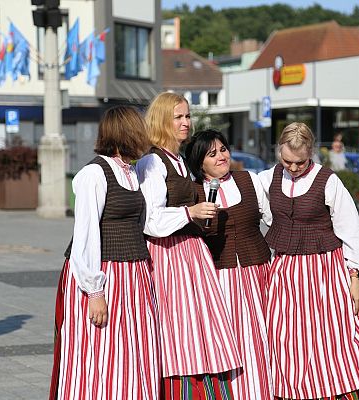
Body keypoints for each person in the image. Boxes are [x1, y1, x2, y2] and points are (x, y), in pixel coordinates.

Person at [259, 122, 359, 400]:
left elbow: (352, 230)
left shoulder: (328, 181)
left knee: (333, 342)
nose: (294, 167)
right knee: (287, 339)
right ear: (278, 153)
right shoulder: (266, 179)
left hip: (326, 272)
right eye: (287, 161)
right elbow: (256, 209)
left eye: (300, 162)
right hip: (285, 272)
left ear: (310, 152)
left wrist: (356, 277)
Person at [49, 106, 160, 399]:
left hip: (132, 274)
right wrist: (95, 293)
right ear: (125, 134)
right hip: (104, 273)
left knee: (132, 350)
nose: (144, 137)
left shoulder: (133, 172)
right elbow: (86, 234)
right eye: (139, 131)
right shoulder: (94, 174)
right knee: (101, 352)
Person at [136, 92, 241, 399]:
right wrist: (190, 212)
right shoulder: (152, 161)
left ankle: (202, 389)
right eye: (178, 117)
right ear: (162, 121)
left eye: (187, 116)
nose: (185, 122)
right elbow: (150, 220)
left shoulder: (179, 160)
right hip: (167, 254)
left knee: (198, 328)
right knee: (178, 329)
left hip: (189, 252)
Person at [185, 129, 274, 400]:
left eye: (223, 149)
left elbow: (272, 219)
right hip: (219, 278)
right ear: (200, 162)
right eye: (212, 154)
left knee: (263, 336)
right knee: (233, 340)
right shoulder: (194, 193)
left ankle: (268, 391)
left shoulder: (250, 180)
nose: (221, 156)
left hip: (258, 271)